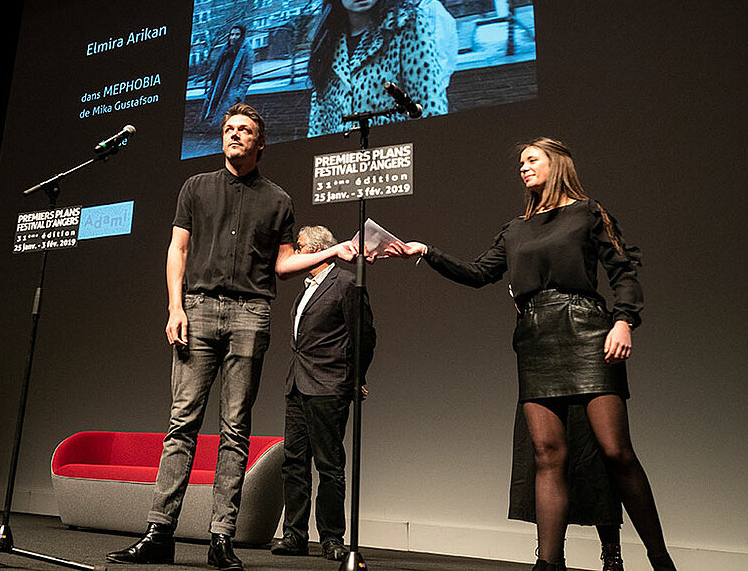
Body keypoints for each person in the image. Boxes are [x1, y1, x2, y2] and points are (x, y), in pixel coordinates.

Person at [382, 138, 676, 571]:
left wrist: (623, 320)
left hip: (587, 329)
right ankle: (548, 563)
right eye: (520, 163)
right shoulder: (515, 228)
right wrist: (426, 252)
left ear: (557, 164)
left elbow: (623, 271)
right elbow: (479, 272)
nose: (523, 168)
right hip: (536, 337)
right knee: (547, 454)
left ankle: (659, 558)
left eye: (532, 160)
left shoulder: (588, 213)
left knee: (615, 452)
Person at [107, 104, 357, 571]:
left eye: (244, 131)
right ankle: (159, 532)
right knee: (182, 423)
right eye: (229, 129)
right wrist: (174, 306)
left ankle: (221, 537)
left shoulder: (279, 200)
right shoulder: (196, 187)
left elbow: (282, 265)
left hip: (250, 313)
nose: (234, 135)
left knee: (235, 430)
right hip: (197, 309)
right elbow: (178, 249)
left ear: (260, 144)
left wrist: (330, 253)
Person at [270, 226, 375, 561]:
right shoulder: (306, 289)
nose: (296, 255)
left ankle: (331, 538)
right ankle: (294, 535)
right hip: (298, 384)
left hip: (329, 384)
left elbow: (364, 334)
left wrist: (356, 376)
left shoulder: (343, 283)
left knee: (329, 464)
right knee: (294, 463)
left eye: (299, 248)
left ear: (315, 249)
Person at [306, 0, 446, 138]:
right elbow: (318, 121)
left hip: (395, 158)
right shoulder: (328, 42)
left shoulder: (407, 25)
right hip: (339, 162)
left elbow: (429, 104)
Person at [509, 403, 625, 571]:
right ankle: (552, 560)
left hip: (588, 384)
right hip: (543, 383)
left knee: (598, 460)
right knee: (546, 455)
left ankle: (612, 557)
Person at [405, 0, 460, 94]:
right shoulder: (422, 9)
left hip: (434, 81)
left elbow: (440, 45)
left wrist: (437, 81)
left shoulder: (433, 9)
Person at [200, 25, 254, 126]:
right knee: (212, 116)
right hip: (218, 88)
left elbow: (247, 76)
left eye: (237, 34)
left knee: (227, 122)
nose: (233, 37)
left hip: (231, 93)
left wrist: (238, 94)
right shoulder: (226, 50)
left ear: (242, 36)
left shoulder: (246, 51)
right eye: (231, 34)